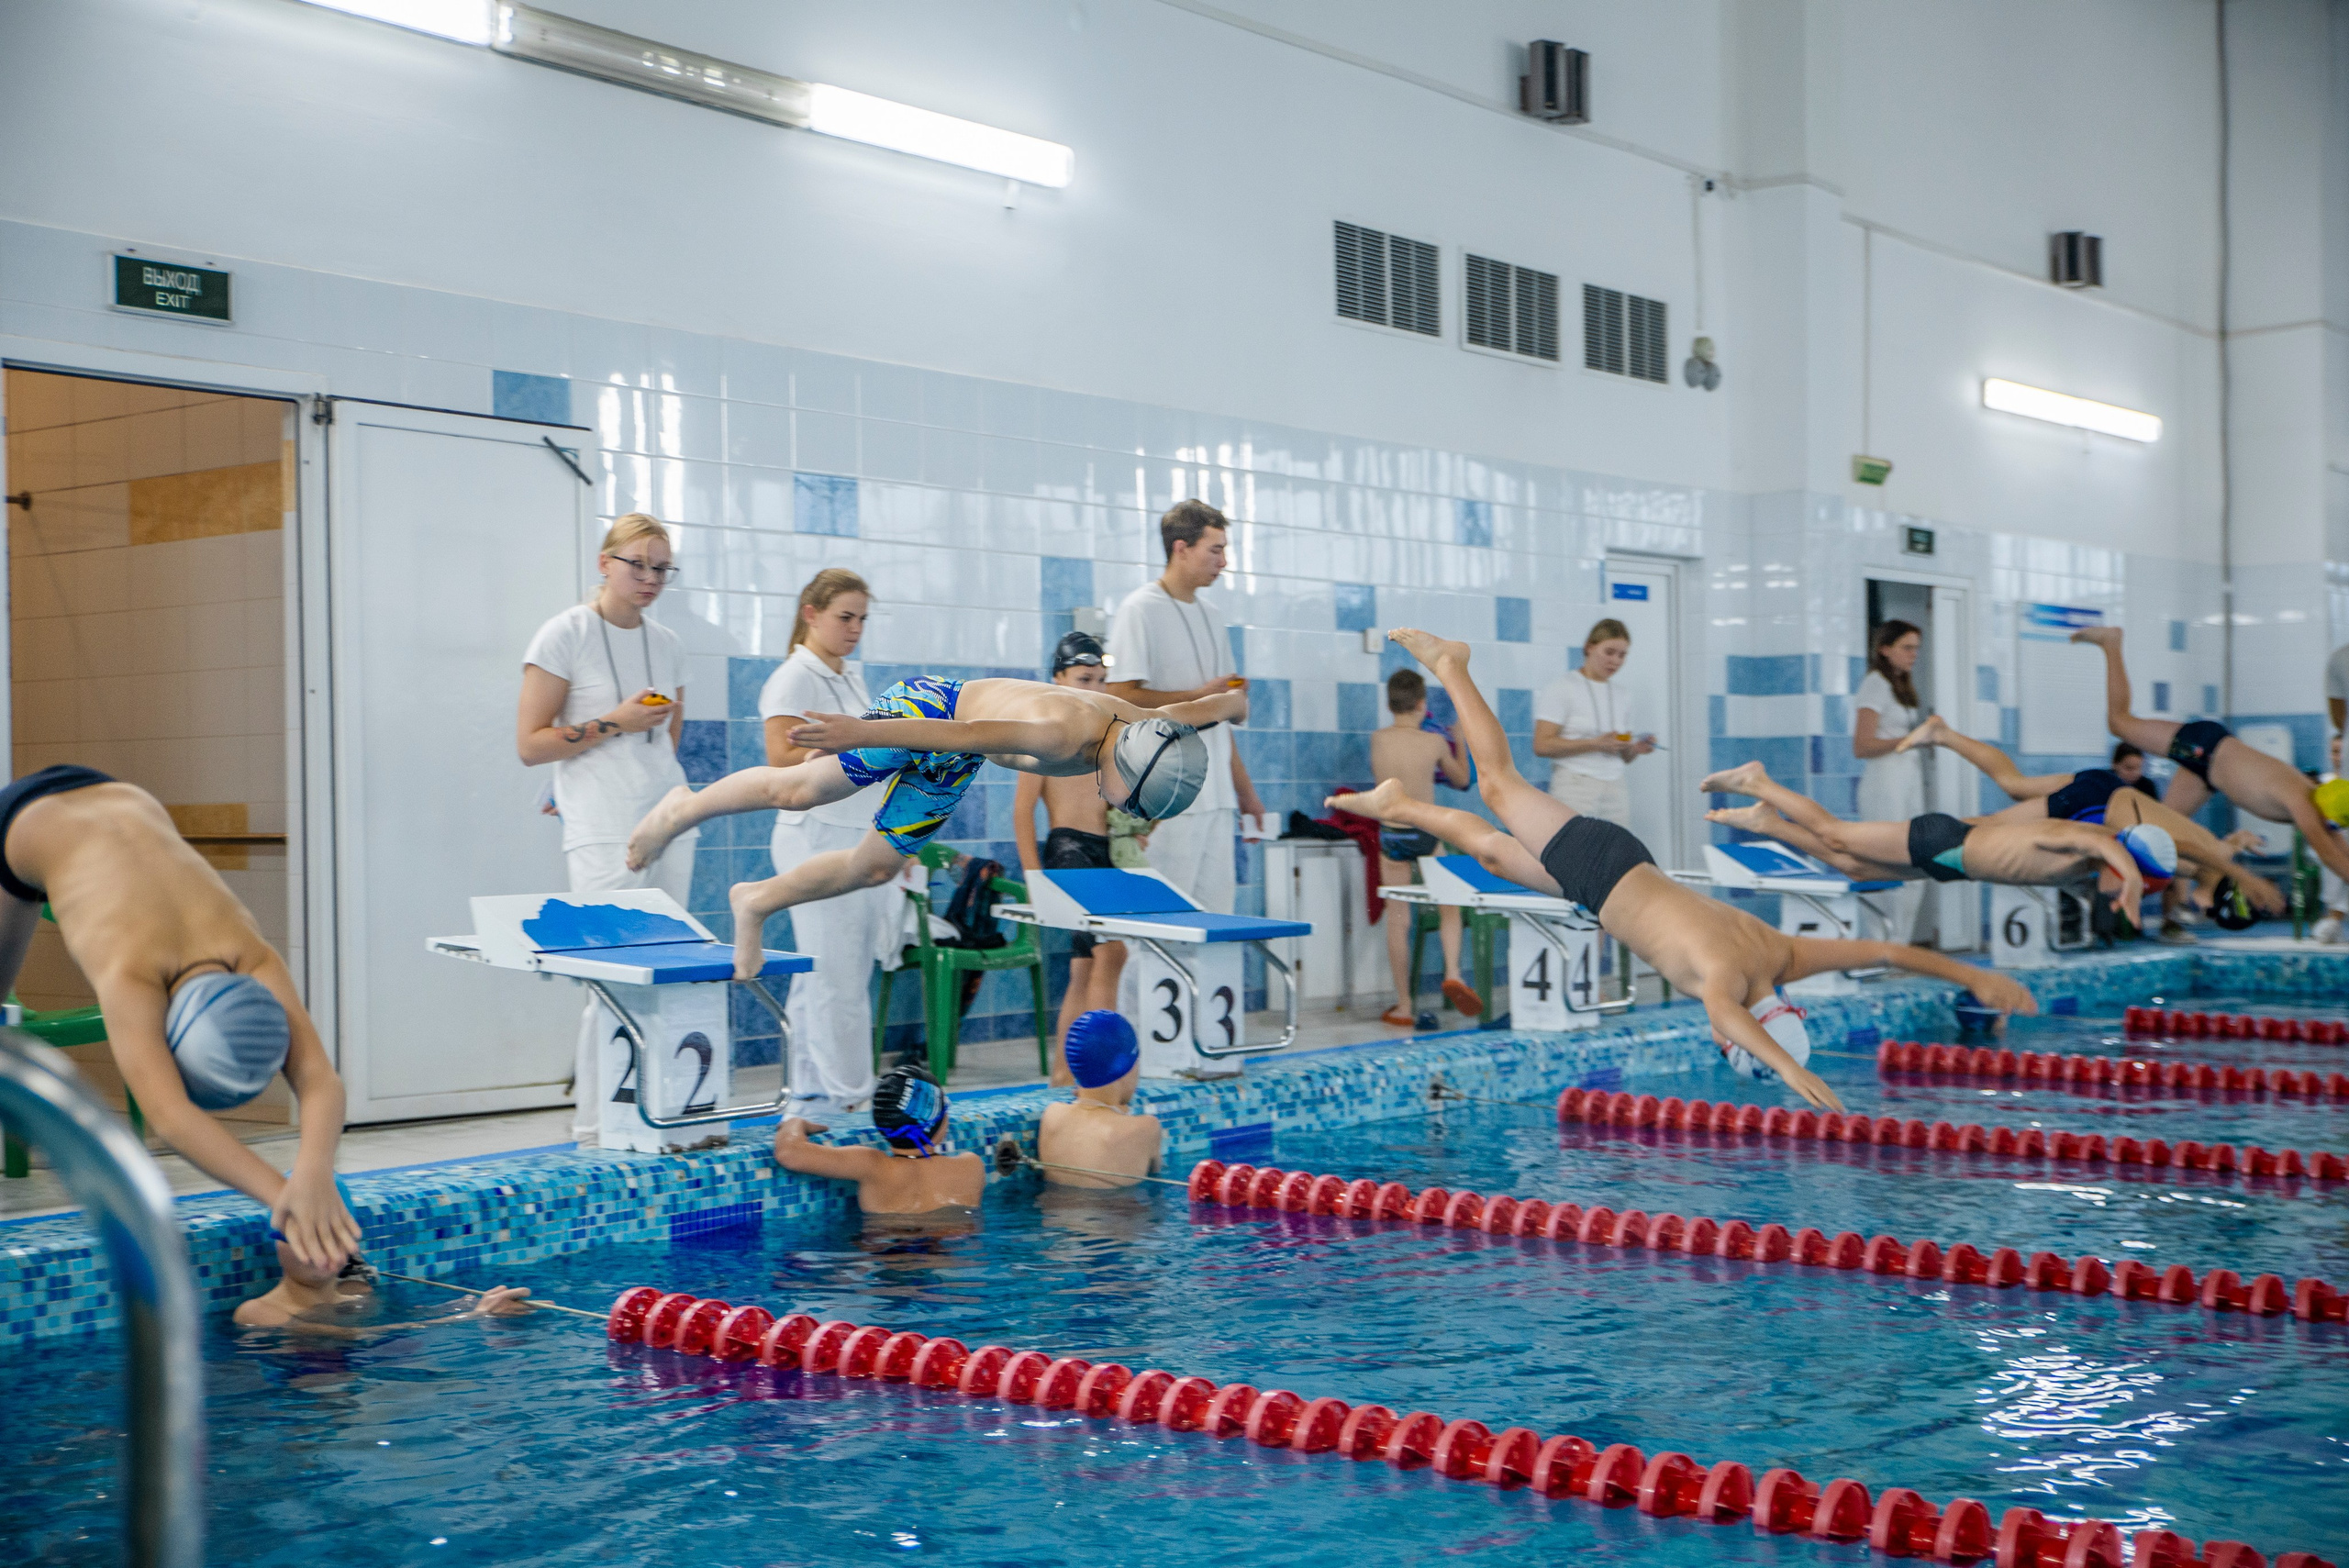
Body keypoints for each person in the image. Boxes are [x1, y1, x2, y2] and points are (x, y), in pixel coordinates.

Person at [1330, 631, 2038, 1111]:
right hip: (1601, 867)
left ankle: (1401, 805)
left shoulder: (1785, 958)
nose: (1721, 1032)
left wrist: (1973, 975)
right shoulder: (1728, 984)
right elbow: (1733, 1014)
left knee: (1488, 849)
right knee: (1497, 785)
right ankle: (1453, 664)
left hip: (1610, 876)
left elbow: (1888, 950)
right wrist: (1792, 1070)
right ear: (1749, 1030)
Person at [626, 671, 1245, 980]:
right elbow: (966, 732)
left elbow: (1204, 707)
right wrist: (862, 732)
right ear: (1126, 765)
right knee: (800, 789)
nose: (1120, 809)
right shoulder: (1065, 731)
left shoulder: (1147, 725)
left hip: (957, 753)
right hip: (930, 709)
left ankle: (757, 899)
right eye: (1128, 801)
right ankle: (683, 806)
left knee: (873, 866)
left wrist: (1234, 701)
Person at [0, 767, 360, 1286]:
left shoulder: (251, 954)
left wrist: (314, 1174)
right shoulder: (133, 972)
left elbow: (319, 1079)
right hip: (16, 828)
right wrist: (288, 1201)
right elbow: (169, 1116)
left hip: (120, 793)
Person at [517, 513, 694, 1145]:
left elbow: (669, 736)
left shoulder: (668, 641)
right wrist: (613, 724)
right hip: (601, 826)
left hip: (668, 817)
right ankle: (597, 1124)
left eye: (660, 568)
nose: (648, 578)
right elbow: (530, 744)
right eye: (636, 564)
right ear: (604, 562)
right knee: (611, 975)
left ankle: (655, 1115)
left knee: (668, 970)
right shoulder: (566, 633)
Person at [1896, 716, 2284, 922]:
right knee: (1984, 830)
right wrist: (2250, 879)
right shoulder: (2200, 860)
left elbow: (2217, 849)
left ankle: (1943, 733)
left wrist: (2240, 848)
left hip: (2103, 790)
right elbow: (2185, 847)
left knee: (2013, 786)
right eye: (2212, 910)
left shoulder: (2216, 855)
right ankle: (1902, 839)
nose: (2204, 911)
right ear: (2218, 897)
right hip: (2095, 805)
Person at [1699, 760, 2172, 928]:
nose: (2136, 895)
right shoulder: (2090, 842)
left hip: (1951, 866)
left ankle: (1771, 823)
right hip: (1944, 838)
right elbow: (2107, 842)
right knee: (1836, 834)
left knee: (1855, 869)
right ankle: (1760, 783)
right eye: (2140, 883)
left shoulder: (2091, 866)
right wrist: (2131, 877)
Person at [758, 568, 897, 1121]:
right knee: (837, 976)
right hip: (813, 839)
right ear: (811, 614)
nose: (855, 628)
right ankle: (854, 1097)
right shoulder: (795, 678)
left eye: (862, 618)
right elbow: (779, 759)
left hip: (851, 836)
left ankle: (810, 1090)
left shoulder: (850, 678)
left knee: (830, 971)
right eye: (845, 616)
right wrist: (836, 755)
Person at [2073, 626, 2349, 884]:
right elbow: (2329, 853)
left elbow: (2336, 845)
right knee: (2119, 722)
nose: (2330, 829)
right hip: (2203, 746)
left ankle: (2185, 892)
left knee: (2158, 834)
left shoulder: (2316, 796)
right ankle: (2111, 643)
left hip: (2206, 771)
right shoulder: (2304, 805)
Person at [1105, 501, 1270, 915]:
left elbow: (1219, 716)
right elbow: (1121, 698)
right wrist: (1198, 697)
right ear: (1181, 548)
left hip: (1215, 798)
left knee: (1214, 922)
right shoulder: (1139, 609)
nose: (1224, 561)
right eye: (1214, 550)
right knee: (1161, 926)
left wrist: (1246, 795)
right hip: (1166, 797)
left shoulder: (1213, 616)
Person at [1014, 632, 1129, 1086]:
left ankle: (1065, 1073)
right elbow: (1023, 813)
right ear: (1058, 678)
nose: (1096, 689)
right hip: (1068, 850)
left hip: (1100, 852)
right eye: (1085, 678)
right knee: (1112, 953)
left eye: (1102, 680)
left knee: (1084, 969)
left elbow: (1118, 804)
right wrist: (1033, 879)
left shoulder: (1105, 736)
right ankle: (1101, 1073)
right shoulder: (1043, 733)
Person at [1364, 668, 1478, 1028]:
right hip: (1426, 835)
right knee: (1450, 907)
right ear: (1422, 703)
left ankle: (1403, 1006)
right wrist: (1459, 739)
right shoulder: (1434, 743)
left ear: (1389, 703)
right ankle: (1455, 972)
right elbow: (1462, 781)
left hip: (1392, 836)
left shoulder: (1377, 739)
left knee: (1398, 920)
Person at [771, 1064, 984, 1214]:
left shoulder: (873, 1167)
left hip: (889, 1263)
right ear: (939, 1120)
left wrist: (795, 1122)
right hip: (950, 1264)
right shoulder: (971, 1167)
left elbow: (789, 1153)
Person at [1851, 620, 1932, 944]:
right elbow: (1861, 746)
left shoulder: (1902, 688)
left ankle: (1901, 946)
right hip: (1884, 784)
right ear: (1885, 649)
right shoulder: (1875, 684)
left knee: (1916, 865)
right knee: (1888, 865)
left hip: (1907, 780)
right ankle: (1882, 946)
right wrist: (1909, 739)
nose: (1914, 655)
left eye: (1917, 648)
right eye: (1907, 647)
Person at [1534, 618, 1653, 829]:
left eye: (1622, 655)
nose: (1615, 661)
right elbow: (1542, 745)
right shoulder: (1563, 687)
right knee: (1576, 854)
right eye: (1609, 652)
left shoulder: (1622, 695)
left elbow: (1624, 756)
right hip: (1574, 784)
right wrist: (1595, 744)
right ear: (1589, 648)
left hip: (1615, 785)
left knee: (1617, 854)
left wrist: (1635, 748)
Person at [235, 1257, 534, 1332]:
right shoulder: (257, 1312)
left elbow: (415, 1316)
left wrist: (470, 1302)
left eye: (328, 1234)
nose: (312, 1248)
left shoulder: (358, 1299)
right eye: (297, 1236)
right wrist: (476, 1314)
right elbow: (357, 1337)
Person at [1036, 1010, 1163, 1187]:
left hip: (1056, 1210)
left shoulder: (1052, 1115)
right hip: (1118, 1210)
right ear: (1124, 1069)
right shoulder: (1147, 1128)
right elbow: (1156, 1177)